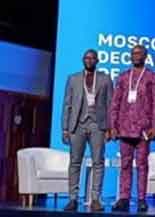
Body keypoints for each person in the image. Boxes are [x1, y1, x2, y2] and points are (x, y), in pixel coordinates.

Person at [110, 45, 155, 213]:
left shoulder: (153, 77)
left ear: (145, 56)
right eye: (133, 53)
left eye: (139, 53)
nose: (136, 55)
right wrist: (113, 126)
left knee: (142, 165)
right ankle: (124, 198)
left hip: (143, 129)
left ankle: (141, 199)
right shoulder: (123, 77)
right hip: (124, 128)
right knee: (125, 164)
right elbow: (115, 103)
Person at [61, 49, 113, 212]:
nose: (89, 60)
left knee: (98, 162)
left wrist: (110, 128)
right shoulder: (73, 78)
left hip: (97, 124)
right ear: (83, 60)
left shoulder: (105, 78)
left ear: (97, 60)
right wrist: (65, 128)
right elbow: (67, 105)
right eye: (86, 58)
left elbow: (110, 105)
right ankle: (73, 198)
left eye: (92, 58)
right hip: (78, 124)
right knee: (75, 162)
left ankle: (95, 199)